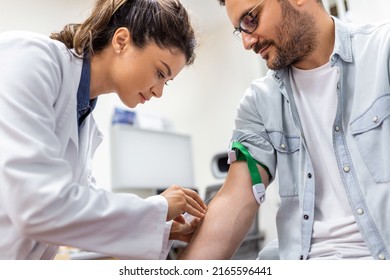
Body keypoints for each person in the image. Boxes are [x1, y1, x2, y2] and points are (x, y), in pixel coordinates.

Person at [180, 0, 390, 260]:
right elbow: (236, 196)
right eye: (240, 30)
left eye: (250, 19)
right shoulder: (258, 103)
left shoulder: (382, 52)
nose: (247, 42)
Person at [0, 0, 207, 260]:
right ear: (121, 41)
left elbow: (78, 212)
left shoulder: (84, 119)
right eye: (159, 72)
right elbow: (38, 207)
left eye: (167, 82)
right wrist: (158, 208)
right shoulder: (30, 59)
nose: (159, 91)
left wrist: (164, 229)